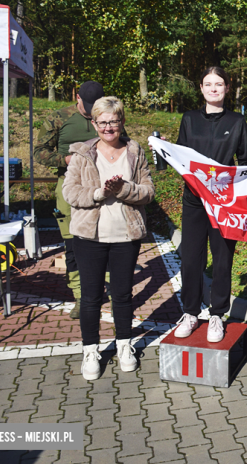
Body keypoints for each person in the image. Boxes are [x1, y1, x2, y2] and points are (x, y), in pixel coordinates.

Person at [173, 66, 247, 342]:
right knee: (191, 259)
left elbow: (246, 162)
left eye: (219, 84)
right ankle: (189, 312)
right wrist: (161, 149)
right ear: (200, 88)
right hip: (195, 201)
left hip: (225, 204)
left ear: (226, 89)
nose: (213, 88)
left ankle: (216, 315)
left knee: (222, 260)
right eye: (208, 84)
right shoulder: (188, 119)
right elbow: (178, 158)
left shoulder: (237, 122)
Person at [62, 97, 155, 380]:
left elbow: (149, 192)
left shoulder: (135, 151)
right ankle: (91, 350)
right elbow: (70, 193)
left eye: (113, 121)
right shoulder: (81, 154)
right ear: (94, 123)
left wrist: (124, 189)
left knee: (123, 295)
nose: (108, 127)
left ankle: (125, 345)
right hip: (89, 237)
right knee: (91, 298)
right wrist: (98, 194)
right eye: (102, 122)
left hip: (126, 236)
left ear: (122, 121)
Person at [35, 81, 105, 319]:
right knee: (73, 245)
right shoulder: (59, 117)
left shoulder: (106, 114)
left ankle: (113, 293)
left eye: (94, 107)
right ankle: (80, 296)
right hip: (70, 186)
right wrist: (66, 160)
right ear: (77, 98)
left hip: (102, 187)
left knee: (106, 240)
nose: (90, 111)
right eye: (86, 106)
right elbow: (39, 152)